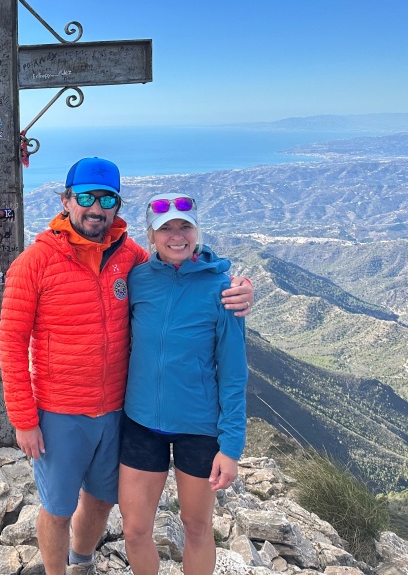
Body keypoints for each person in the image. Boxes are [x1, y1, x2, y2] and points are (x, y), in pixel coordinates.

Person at [0, 158, 253, 575]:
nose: (96, 208)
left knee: (101, 498)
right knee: (58, 507)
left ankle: (82, 562)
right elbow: (9, 342)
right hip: (62, 410)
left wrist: (239, 288)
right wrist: (24, 419)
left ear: (118, 207)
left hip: (118, 412)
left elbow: (183, 265)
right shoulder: (35, 262)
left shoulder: (129, 258)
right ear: (66, 200)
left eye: (107, 199)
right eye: (85, 197)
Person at [118, 194, 248, 575]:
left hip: (199, 429)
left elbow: (234, 373)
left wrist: (232, 446)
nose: (176, 236)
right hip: (141, 423)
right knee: (135, 529)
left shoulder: (222, 289)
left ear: (197, 232)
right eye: (166, 229)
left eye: (184, 227)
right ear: (151, 235)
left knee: (196, 528)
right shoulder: (137, 279)